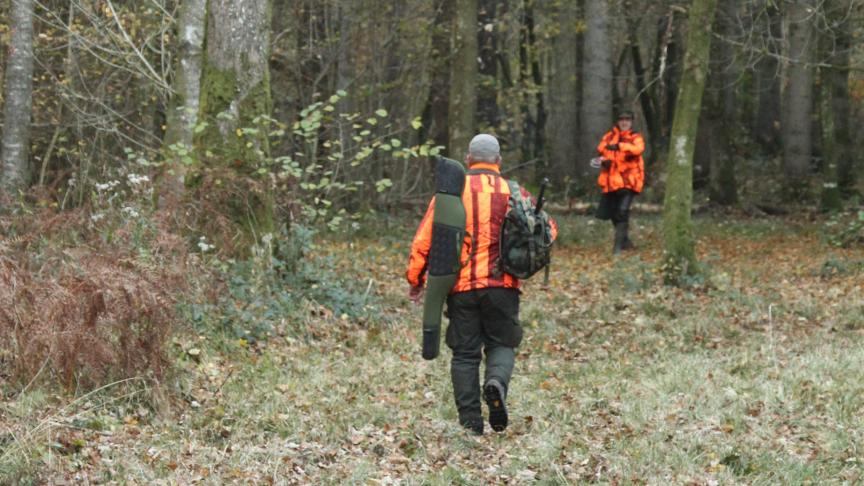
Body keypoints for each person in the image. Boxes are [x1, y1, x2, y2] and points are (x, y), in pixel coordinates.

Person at [405, 134, 557, 435]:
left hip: (460, 287)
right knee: (502, 343)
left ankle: (471, 424)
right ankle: (496, 383)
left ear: (468, 159)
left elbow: (424, 241)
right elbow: (548, 229)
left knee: (464, 354)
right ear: (498, 161)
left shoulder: (451, 193)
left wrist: (416, 279)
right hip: (504, 284)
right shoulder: (514, 192)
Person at [595, 110, 645, 254]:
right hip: (611, 182)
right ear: (618, 121)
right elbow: (601, 150)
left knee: (622, 212)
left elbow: (638, 150)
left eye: (627, 120)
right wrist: (603, 161)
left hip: (629, 182)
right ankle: (626, 242)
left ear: (631, 122)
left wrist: (620, 146)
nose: (624, 122)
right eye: (622, 119)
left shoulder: (636, 137)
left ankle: (617, 248)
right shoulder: (608, 136)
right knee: (612, 213)